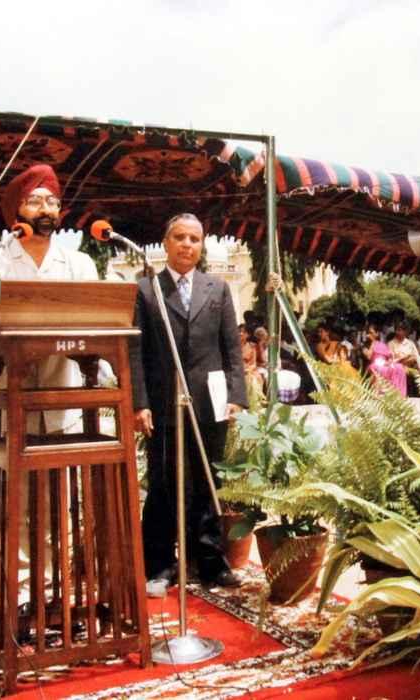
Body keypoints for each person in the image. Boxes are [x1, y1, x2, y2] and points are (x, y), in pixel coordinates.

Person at [130, 212, 246, 592]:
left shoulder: (218, 288)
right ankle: (160, 564)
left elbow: (231, 348)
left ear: (202, 245)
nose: (187, 245)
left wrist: (236, 396)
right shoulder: (146, 290)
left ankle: (210, 562)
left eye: (194, 239)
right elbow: (135, 351)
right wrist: (139, 402)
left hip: (209, 402)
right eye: (179, 237)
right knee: (163, 483)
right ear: (166, 243)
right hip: (163, 403)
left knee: (208, 481)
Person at [0, 163, 100, 435]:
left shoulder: (80, 262)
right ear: (15, 210)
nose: (45, 209)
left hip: (63, 392)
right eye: (34, 202)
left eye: (52, 202)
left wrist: (29, 312)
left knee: (62, 459)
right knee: (4, 461)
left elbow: (92, 319)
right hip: (3, 390)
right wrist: (60, 315)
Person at [363, 325, 407, 394]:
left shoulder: (382, 344)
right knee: (378, 368)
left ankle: (396, 393)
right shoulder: (365, 345)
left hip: (384, 363)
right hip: (374, 363)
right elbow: (368, 356)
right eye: (368, 333)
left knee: (399, 367)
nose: (369, 335)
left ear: (377, 334)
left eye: (371, 333)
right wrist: (373, 343)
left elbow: (389, 356)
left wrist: (389, 361)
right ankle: (380, 392)